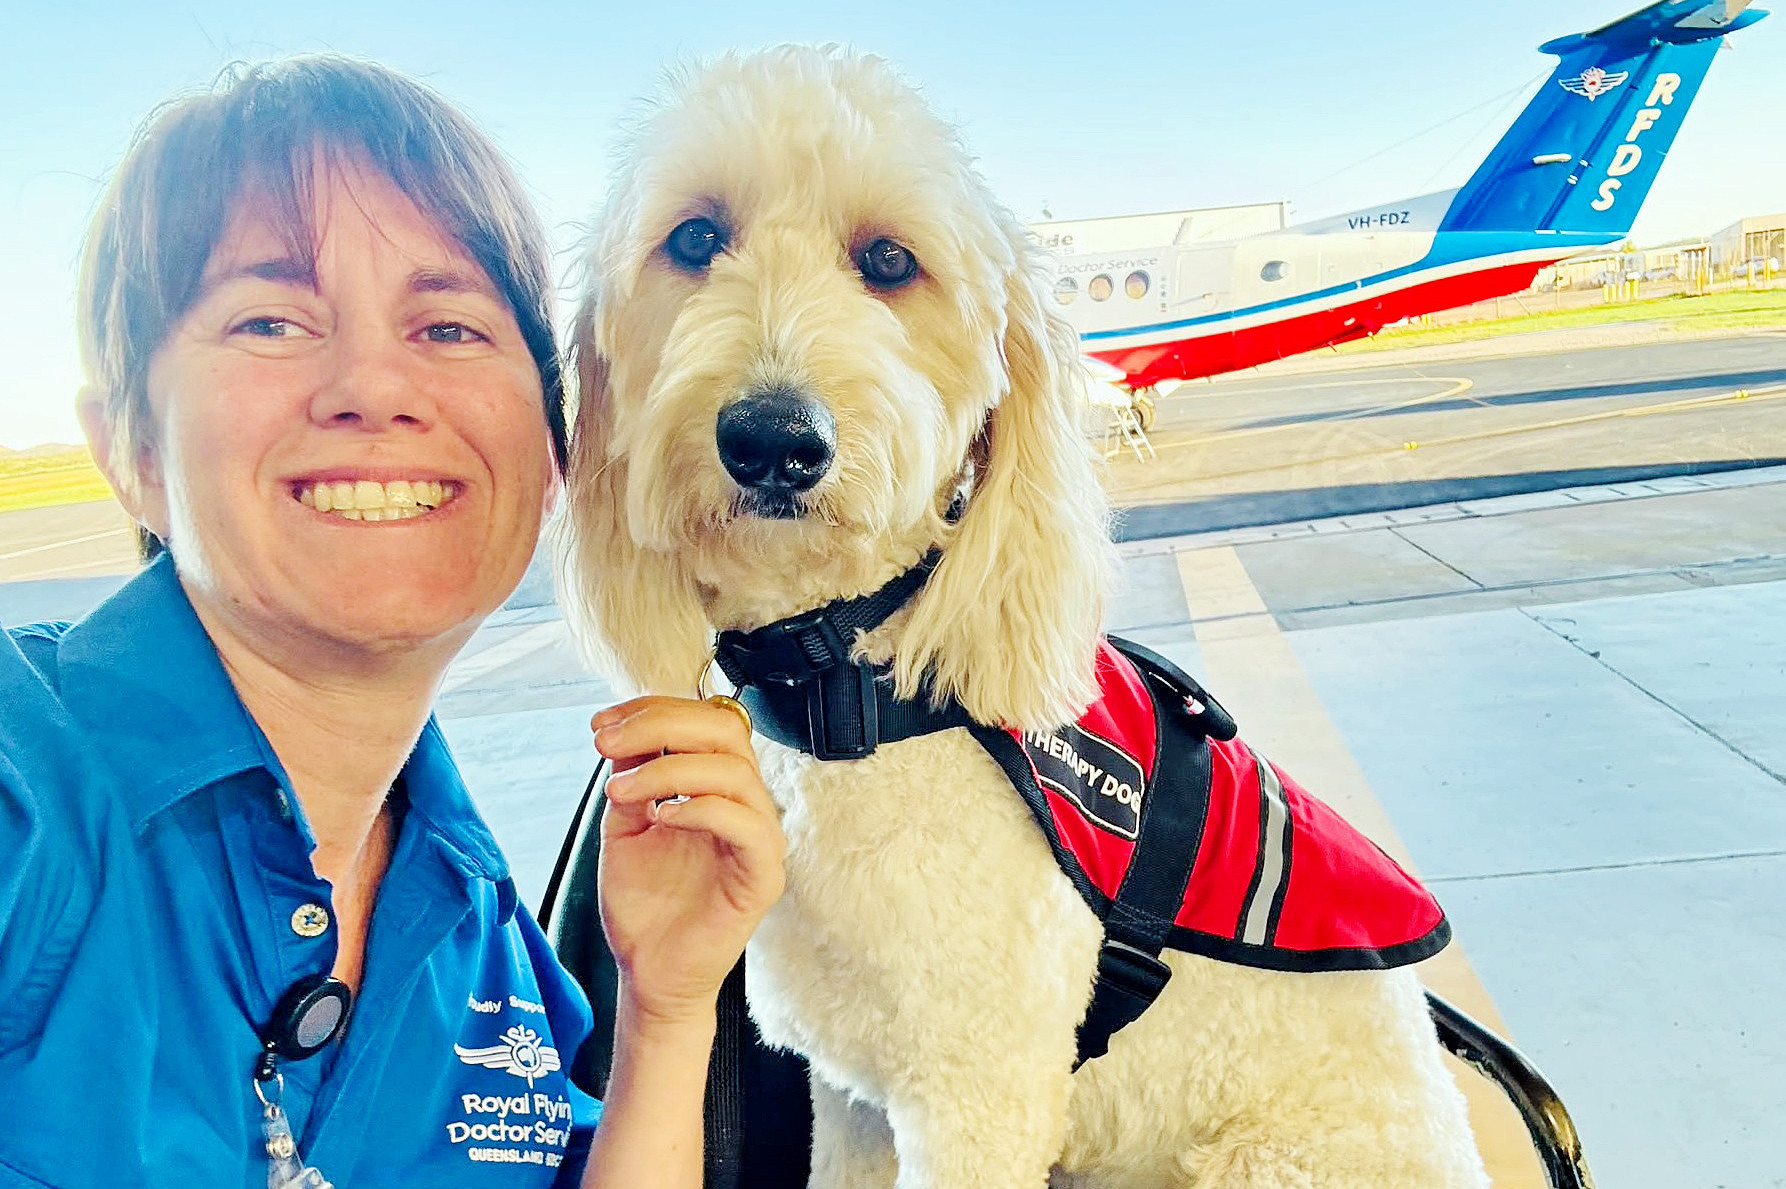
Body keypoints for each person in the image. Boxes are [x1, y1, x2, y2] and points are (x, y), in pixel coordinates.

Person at [0, 56, 784, 1188]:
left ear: (556, 449)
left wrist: (664, 1012)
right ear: (130, 447)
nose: (372, 384)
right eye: (269, 318)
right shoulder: (30, 795)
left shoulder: (486, 943)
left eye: (452, 328)